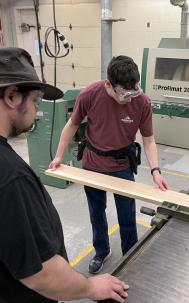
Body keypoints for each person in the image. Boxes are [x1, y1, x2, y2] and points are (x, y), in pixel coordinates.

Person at [0, 47, 129, 303]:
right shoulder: (11, 178)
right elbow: (40, 274)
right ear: (12, 96)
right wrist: (90, 289)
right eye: (36, 101)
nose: (37, 111)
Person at [49, 55, 169, 274]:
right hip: (93, 163)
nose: (129, 98)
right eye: (124, 93)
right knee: (96, 213)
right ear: (108, 85)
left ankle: (130, 256)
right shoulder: (90, 94)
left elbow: (148, 139)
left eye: (134, 91)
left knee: (127, 215)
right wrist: (59, 156)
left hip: (122, 165)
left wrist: (155, 171)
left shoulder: (142, 102)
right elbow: (72, 125)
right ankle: (102, 251)